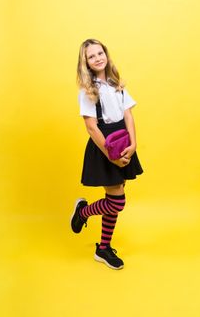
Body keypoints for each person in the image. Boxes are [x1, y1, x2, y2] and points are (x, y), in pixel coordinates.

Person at [70, 38, 143, 270]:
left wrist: (133, 144)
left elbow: (128, 115)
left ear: (106, 54)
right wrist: (110, 154)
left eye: (100, 53)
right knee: (118, 201)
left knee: (113, 200)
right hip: (104, 143)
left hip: (122, 139)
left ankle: (103, 248)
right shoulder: (88, 90)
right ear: (86, 63)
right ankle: (84, 211)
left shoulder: (116, 82)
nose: (98, 58)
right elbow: (91, 126)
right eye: (91, 56)